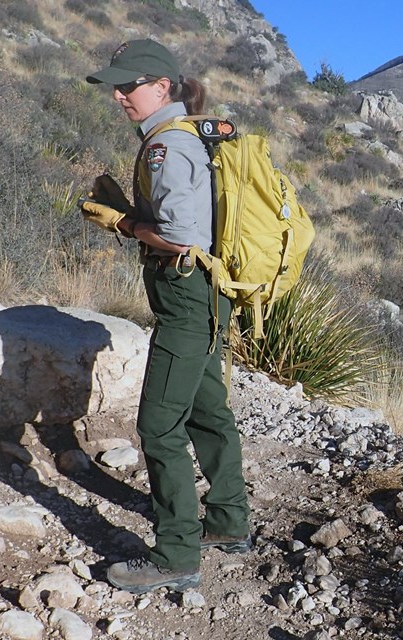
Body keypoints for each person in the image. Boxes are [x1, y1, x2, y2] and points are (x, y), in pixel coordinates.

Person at [80, 39, 251, 595]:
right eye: (118, 85)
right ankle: (227, 522)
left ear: (162, 87)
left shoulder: (166, 148)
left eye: (130, 85)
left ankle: (176, 552)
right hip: (203, 296)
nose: (119, 95)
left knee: (158, 426)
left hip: (185, 296)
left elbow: (179, 237)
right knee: (206, 410)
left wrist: (126, 224)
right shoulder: (185, 136)